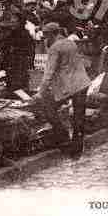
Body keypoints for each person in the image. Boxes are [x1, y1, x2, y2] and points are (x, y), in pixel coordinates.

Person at [33, 22, 91, 158]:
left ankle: (64, 139)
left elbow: (49, 72)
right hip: (82, 82)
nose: (46, 39)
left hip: (70, 86)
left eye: (46, 36)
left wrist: (40, 92)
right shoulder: (71, 43)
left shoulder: (55, 48)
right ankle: (77, 150)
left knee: (48, 108)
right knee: (79, 117)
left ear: (53, 34)